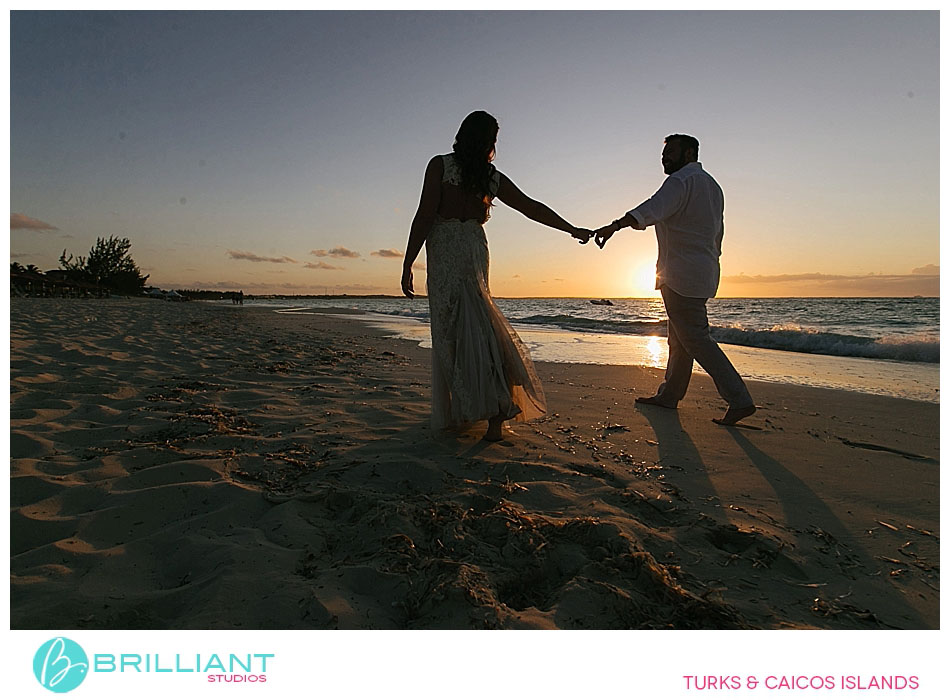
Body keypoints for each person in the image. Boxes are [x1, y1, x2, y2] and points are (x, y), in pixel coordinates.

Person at [402, 110, 592, 441]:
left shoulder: (441, 166)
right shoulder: (489, 177)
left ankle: (487, 408)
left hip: (447, 251)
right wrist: (570, 228)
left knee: (453, 332)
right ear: (489, 141)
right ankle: (489, 415)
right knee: (478, 326)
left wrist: (408, 263)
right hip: (473, 247)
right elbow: (531, 207)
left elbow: (425, 215)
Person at [593, 134, 755, 426]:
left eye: (670, 152)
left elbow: (652, 208)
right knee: (680, 339)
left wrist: (615, 226)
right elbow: (718, 232)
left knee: (695, 339)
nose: (664, 158)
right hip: (702, 271)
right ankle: (670, 395)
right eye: (663, 153)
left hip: (680, 273)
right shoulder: (713, 185)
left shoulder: (680, 181)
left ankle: (739, 399)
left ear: (689, 152)